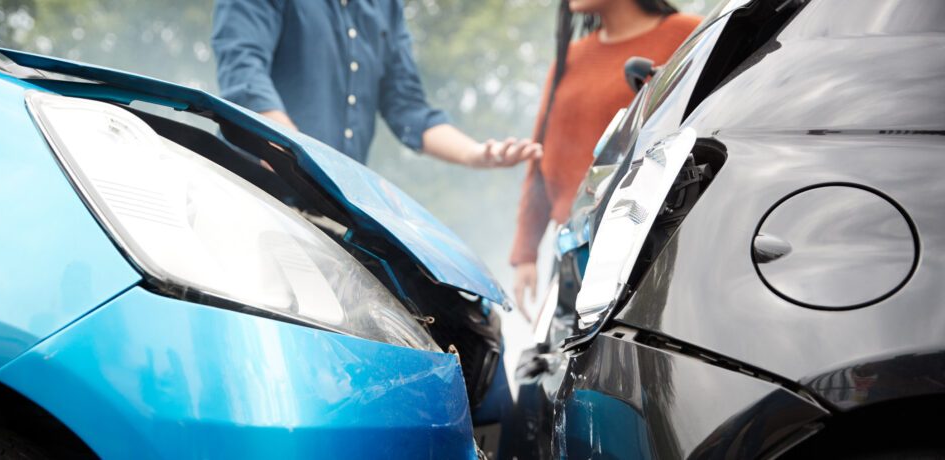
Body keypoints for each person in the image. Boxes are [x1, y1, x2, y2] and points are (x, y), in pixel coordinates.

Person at [510, 0, 701, 317]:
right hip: (575, 257)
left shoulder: (691, 34)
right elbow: (541, 160)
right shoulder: (569, 57)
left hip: (653, 248)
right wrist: (526, 253)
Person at [211, 0, 541, 167]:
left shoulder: (385, 6)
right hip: (251, 190)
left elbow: (407, 107)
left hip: (330, 212)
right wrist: (301, 161)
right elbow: (244, 74)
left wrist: (476, 154)